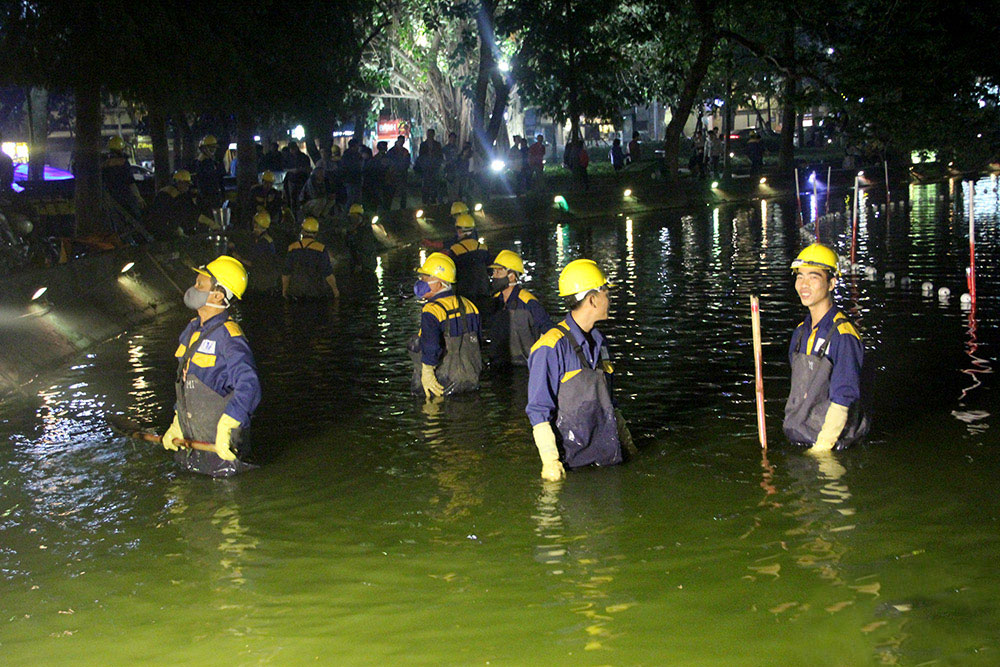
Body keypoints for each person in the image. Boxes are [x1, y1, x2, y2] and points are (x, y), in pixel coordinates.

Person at [525, 259, 633, 481]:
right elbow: (538, 411)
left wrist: (627, 443)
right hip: (574, 468)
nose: (609, 299)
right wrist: (550, 461)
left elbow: (610, 403)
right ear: (592, 300)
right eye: (606, 293)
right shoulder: (550, 347)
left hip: (608, 459)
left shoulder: (600, 342)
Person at [161, 255, 260, 477]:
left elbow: (249, 384)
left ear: (217, 295)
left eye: (200, 284)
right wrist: (177, 422)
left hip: (223, 451)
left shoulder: (229, 337)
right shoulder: (191, 329)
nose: (193, 288)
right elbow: (185, 380)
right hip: (192, 448)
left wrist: (229, 424)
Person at [784, 244, 869, 453]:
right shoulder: (801, 332)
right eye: (800, 277)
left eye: (813, 277)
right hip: (801, 438)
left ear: (831, 283)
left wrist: (821, 450)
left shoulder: (843, 336)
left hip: (831, 447)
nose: (804, 285)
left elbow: (843, 399)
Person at [407, 252, 482, 398]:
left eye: (425, 277)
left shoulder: (432, 310)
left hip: (440, 384)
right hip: (470, 380)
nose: (421, 280)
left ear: (440, 283)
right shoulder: (469, 305)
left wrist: (428, 373)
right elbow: (477, 341)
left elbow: (431, 345)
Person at [488, 250, 553, 367]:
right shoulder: (495, 301)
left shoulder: (529, 303)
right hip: (499, 366)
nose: (494, 276)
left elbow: (549, 333)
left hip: (525, 367)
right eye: (494, 272)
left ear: (512, 276)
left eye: (498, 272)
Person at [144, 169, 215, 239]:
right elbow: (192, 213)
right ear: (180, 182)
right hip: (163, 231)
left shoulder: (168, 191)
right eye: (186, 184)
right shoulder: (175, 195)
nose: (187, 187)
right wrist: (212, 224)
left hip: (157, 227)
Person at [282, 217, 340, 300]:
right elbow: (328, 273)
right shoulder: (321, 248)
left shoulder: (292, 247)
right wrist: (335, 290)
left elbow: (286, 272)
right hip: (315, 293)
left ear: (302, 231)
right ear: (316, 233)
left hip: (296, 292)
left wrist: (284, 290)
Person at [444, 212, 491, 313]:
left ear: (459, 230)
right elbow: (490, 269)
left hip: (465, 295)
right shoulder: (483, 247)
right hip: (484, 292)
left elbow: (452, 275)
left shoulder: (455, 250)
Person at [101, 136, 145, 220]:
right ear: (121, 149)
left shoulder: (105, 163)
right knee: (135, 216)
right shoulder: (123, 162)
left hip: (109, 198)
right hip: (124, 196)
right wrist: (138, 197)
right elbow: (130, 182)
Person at [192, 134, 226, 213]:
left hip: (213, 197)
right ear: (204, 148)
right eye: (211, 147)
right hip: (207, 199)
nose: (213, 150)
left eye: (214, 147)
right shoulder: (202, 163)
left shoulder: (211, 162)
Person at [345, 203, 377, 274]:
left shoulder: (365, 231)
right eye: (351, 217)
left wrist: (359, 264)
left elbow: (364, 248)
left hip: (366, 265)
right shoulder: (354, 229)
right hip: (357, 263)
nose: (352, 219)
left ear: (360, 216)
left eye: (354, 217)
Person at [417, 129, 443, 205]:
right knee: (425, 184)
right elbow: (421, 156)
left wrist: (438, 164)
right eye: (428, 134)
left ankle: (433, 199)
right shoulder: (423, 145)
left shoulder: (437, 145)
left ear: (433, 135)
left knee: (434, 184)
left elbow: (440, 156)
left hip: (434, 168)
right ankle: (425, 199)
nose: (430, 135)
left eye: (431, 134)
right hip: (426, 168)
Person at [387, 135, 411, 209]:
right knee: (392, 192)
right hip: (394, 174)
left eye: (402, 141)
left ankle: (402, 208)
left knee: (403, 192)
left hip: (402, 174)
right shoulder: (392, 151)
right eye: (400, 141)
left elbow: (407, 162)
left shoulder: (405, 151)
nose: (401, 143)